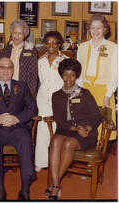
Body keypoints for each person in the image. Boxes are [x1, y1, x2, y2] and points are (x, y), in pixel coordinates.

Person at [0, 57, 38, 200]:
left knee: (25, 140)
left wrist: (17, 118)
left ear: (13, 70)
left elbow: (33, 108)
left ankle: (25, 189)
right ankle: (0, 189)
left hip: (18, 127)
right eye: (2, 68)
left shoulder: (22, 86)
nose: (5, 71)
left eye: (9, 68)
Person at [48, 58, 102, 200]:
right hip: (65, 129)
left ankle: (54, 185)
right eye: (65, 74)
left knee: (68, 144)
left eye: (72, 75)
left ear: (76, 75)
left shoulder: (85, 93)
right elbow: (59, 119)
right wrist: (74, 127)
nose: (68, 79)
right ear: (61, 75)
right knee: (55, 141)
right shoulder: (56, 96)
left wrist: (87, 128)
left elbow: (97, 116)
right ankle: (56, 184)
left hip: (85, 134)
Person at [77, 14, 117, 141]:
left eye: (99, 28)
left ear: (104, 29)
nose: (95, 31)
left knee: (102, 126)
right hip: (86, 89)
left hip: (103, 91)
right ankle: (87, 153)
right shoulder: (82, 47)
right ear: (89, 29)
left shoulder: (113, 47)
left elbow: (116, 73)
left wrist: (108, 94)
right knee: (85, 122)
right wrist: (78, 91)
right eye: (93, 28)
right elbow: (78, 72)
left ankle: (97, 159)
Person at [35, 31, 68, 172]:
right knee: (42, 129)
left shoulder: (66, 61)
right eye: (48, 42)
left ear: (59, 43)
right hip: (42, 99)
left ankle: (59, 161)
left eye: (54, 42)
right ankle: (41, 161)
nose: (51, 45)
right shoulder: (40, 61)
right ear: (44, 44)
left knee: (58, 131)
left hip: (60, 100)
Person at [2, 19, 38, 98]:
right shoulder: (6, 50)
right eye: (15, 33)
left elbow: (33, 75)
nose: (17, 36)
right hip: (7, 89)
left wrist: (30, 94)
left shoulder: (31, 50)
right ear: (11, 33)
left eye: (20, 34)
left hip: (23, 90)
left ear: (24, 35)